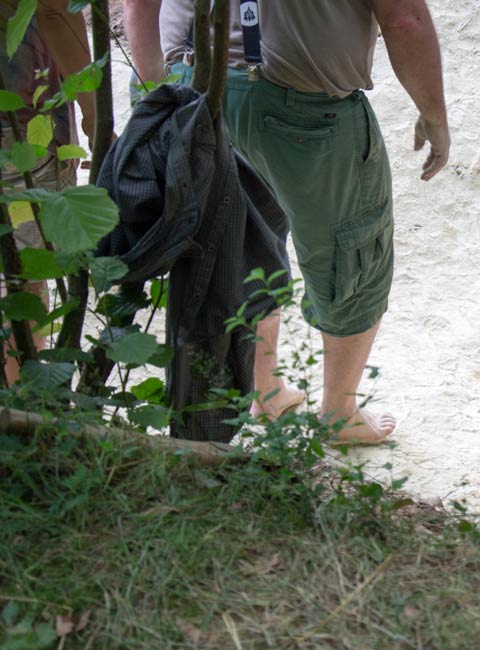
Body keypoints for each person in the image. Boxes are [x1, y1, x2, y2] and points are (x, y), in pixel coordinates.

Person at [124, 0, 450, 444]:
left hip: (190, 81)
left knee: (240, 239)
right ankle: (339, 413)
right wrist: (434, 115)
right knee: (351, 252)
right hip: (302, 105)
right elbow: (403, 18)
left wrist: (153, 90)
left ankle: (264, 387)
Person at [1, 0, 94, 385]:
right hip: (20, 127)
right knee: (26, 271)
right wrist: (94, 115)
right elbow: (55, 12)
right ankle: (22, 410)